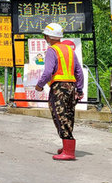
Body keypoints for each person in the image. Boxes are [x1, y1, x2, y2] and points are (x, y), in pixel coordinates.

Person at [34, 23, 84, 160]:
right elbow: (79, 72)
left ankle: (68, 152)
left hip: (59, 88)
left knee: (59, 115)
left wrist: (39, 85)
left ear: (48, 37)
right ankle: (67, 145)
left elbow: (48, 72)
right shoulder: (69, 50)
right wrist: (79, 89)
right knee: (68, 115)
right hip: (71, 87)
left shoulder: (52, 50)